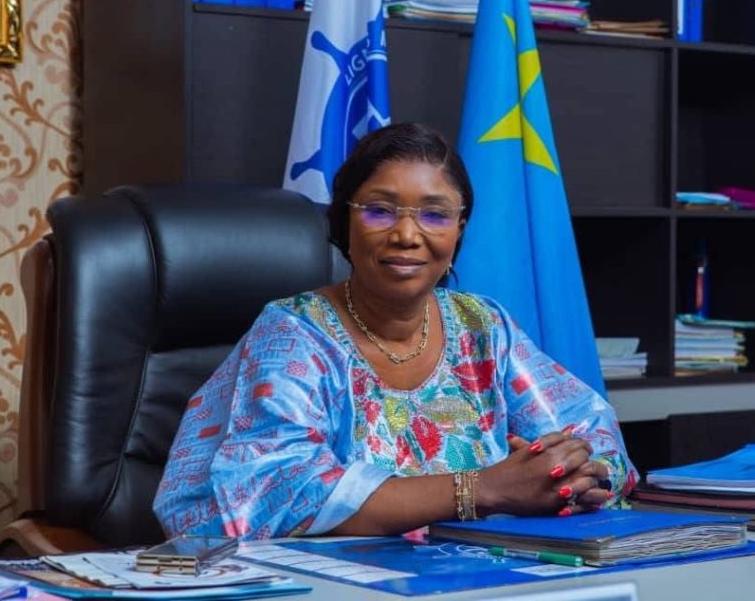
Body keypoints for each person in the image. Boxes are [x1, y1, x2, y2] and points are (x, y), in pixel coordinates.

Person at [154, 122, 638, 540]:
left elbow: (590, 432)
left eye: (435, 214)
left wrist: (575, 476)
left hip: (476, 575)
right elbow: (282, 492)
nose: (407, 235)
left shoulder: (483, 326)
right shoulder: (293, 333)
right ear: (345, 221)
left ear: (459, 229)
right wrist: (483, 489)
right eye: (380, 210)